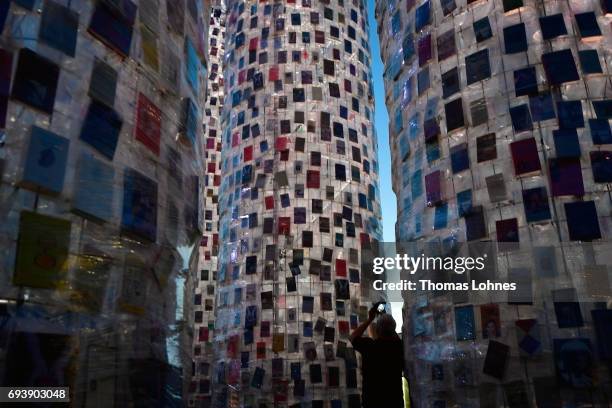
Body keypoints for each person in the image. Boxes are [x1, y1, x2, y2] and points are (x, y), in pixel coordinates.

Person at [349, 303, 404, 408]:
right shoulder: (399, 348)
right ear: (393, 330)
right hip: (394, 402)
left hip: (372, 402)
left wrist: (370, 319)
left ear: (377, 330)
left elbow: (353, 337)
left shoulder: (370, 346)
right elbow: (395, 336)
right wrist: (388, 322)